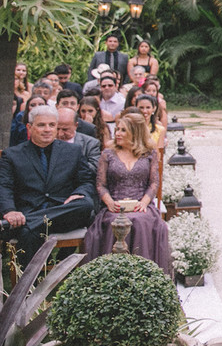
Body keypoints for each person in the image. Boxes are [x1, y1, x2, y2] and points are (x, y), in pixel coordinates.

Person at [0, 105, 97, 267]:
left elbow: (87, 181)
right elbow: (4, 186)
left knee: (86, 203)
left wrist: (80, 191)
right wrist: (10, 210)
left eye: (52, 125)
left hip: (63, 215)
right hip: (29, 211)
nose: (47, 129)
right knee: (27, 232)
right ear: (29, 128)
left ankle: (31, 222)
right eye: (41, 125)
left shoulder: (73, 151)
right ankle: (29, 287)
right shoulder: (12, 155)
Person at [82, 112, 171, 274]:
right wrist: (109, 202)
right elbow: (100, 185)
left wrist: (144, 202)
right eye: (117, 129)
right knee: (115, 222)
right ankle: (113, 275)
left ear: (135, 132)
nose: (117, 134)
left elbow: (153, 183)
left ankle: (143, 275)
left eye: (123, 130)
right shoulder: (108, 154)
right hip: (115, 205)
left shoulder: (149, 153)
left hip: (141, 204)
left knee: (141, 221)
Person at [55, 106, 101, 179]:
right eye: (57, 129)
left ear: (76, 125)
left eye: (65, 129)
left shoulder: (90, 143)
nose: (60, 134)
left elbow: (95, 169)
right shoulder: (47, 141)